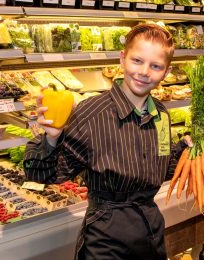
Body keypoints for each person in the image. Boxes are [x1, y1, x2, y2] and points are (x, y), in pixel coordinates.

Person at [24, 23, 192, 260]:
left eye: (155, 66)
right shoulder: (91, 114)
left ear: (166, 71)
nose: (144, 72)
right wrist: (51, 140)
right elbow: (42, 175)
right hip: (105, 237)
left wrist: (185, 150)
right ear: (122, 59)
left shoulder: (161, 115)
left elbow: (159, 169)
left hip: (151, 234)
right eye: (137, 61)